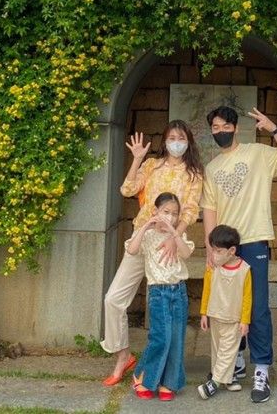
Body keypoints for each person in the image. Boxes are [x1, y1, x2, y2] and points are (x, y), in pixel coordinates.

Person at [200, 105, 277, 403]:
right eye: (215, 128)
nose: (220, 132)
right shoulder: (212, 167)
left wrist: (274, 129)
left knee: (256, 310)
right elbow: (210, 209)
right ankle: (234, 362)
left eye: (224, 127)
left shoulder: (258, 153)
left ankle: (262, 369)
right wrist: (210, 247)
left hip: (254, 241)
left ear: (235, 128)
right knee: (228, 309)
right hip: (226, 245)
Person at [101, 120, 203, 386]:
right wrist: (137, 159)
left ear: (188, 141)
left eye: (181, 137)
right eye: (171, 137)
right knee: (113, 300)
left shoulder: (193, 174)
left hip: (168, 244)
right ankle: (124, 356)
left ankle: (164, 370)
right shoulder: (151, 166)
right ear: (165, 140)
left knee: (166, 309)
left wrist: (174, 236)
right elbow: (127, 190)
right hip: (142, 238)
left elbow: (191, 211)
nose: (176, 142)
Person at [127, 192, 194, 401]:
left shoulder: (178, 236)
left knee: (176, 339)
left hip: (179, 291)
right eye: (166, 212)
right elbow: (132, 249)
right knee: (161, 338)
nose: (171, 217)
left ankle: (169, 383)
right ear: (156, 211)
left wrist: (174, 233)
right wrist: (146, 226)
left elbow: (186, 253)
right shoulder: (146, 236)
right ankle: (142, 377)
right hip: (158, 293)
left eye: (175, 214)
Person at [197, 224, 251, 400]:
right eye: (213, 250)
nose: (214, 255)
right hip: (215, 315)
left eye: (218, 251)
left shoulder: (244, 270)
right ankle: (227, 378)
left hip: (233, 319)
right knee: (218, 349)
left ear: (232, 251)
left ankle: (213, 384)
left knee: (228, 350)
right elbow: (206, 290)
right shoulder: (213, 268)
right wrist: (204, 313)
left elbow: (246, 298)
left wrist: (245, 320)